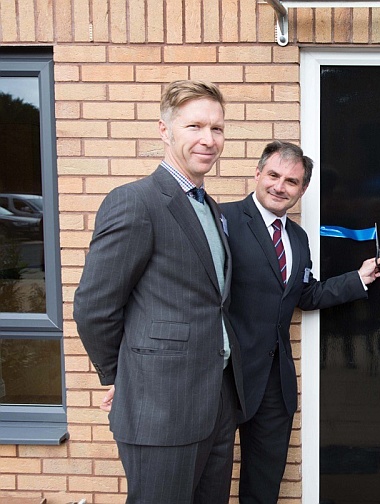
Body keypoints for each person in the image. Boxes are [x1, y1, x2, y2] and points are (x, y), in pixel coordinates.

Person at [73, 80, 245, 503]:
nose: (209, 139)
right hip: (162, 408)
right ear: (164, 130)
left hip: (216, 403)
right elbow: (94, 308)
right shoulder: (136, 202)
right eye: (195, 127)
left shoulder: (208, 206)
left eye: (217, 129)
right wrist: (120, 377)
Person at [220, 140, 380, 504]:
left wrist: (358, 278)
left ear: (303, 189)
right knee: (209, 477)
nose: (280, 187)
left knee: (263, 481)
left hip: (274, 381)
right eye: (274, 176)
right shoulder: (223, 221)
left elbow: (305, 295)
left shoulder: (297, 236)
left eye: (291, 182)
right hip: (225, 375)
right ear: (258, 174)